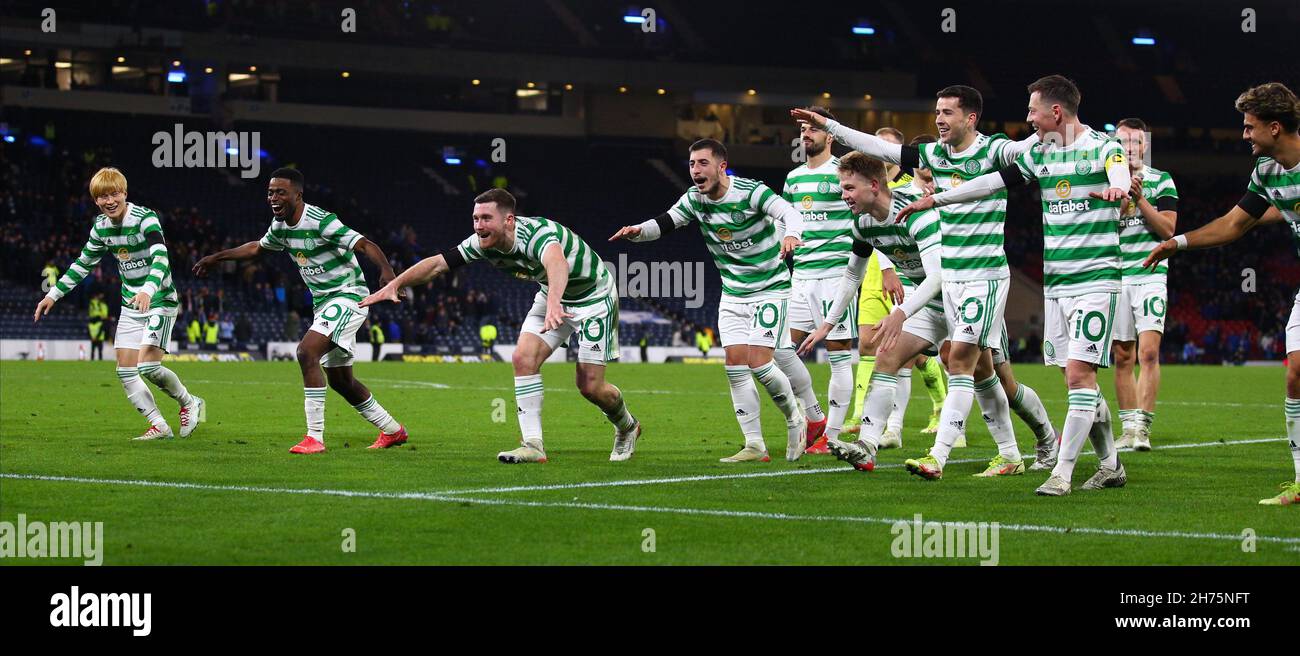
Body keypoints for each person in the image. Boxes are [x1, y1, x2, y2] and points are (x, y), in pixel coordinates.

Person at [795, 83, 1057, 479]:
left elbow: (1031, 150)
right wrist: (831, 126)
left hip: (982, 278)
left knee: (995, 378)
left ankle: (1041, 439)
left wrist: (1057, 130)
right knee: (894, 357)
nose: (938, 119)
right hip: (940, 289)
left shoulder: (993, 150)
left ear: (970, 118)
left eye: (947, 113)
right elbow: (878, 148)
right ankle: (869, 446)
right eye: (936, 112)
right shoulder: (931, 156)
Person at [895, 75, 1128, 495]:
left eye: (1032, 110)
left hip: (1096, 279)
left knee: (1079, 377)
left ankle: (1063, 473)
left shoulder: (1103, 147)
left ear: (1055, 112)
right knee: (1077, 379)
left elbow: (1120, 172)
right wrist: (936, 199)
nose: (1028, 118)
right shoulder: (1039, 154)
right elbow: (992, 181)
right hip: (1056, 284)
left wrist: (1119, 189)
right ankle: (1110, 463)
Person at [363, 188, 641, 463]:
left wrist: (556, 302)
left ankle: (627, 426)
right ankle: (533, 445)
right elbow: (437, 265)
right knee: (522, 358)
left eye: (486, 218)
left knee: (590, 386)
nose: (478, 226)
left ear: (509, 220)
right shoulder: (480, 244)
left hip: (593, 297)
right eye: (475, 218)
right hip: (552, 295)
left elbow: (557, 263)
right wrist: (395, 284)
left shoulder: (537, 235)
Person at [1145, 82, 1300, 506]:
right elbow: (1233, 224)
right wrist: (1176, 243)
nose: (1244, 134)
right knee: (1295, 373)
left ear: (1274, 127)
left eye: (1249, 127)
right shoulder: (1267, 173)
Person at [611, 138, 808, 463]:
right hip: (732, 293)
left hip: (770, 287)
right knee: (734, 367)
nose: (695, 170)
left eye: (702, 163)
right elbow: (666, 222)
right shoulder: (694, 199)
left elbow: (788, 211)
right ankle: (755, 444)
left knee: (759, 362)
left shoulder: (750, 191)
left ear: (721, 166)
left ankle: (794, 420)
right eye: (691, 164)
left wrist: (791, 234)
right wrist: (638, 231)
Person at [194, 167, 407, 454]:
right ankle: (393, 430)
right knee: (342, 382)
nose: (273, 197)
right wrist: (217, 257)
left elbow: (364, 244)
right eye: (270, 192)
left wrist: (386, 271)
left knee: (306, 352)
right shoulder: (280, 226)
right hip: (324, 305)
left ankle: (314, 438)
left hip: (348, 296)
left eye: (281, 192)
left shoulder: (321, 221)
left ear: (298, 195)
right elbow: (258, 247)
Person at [34, 167, 205, 440]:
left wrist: (148, 290)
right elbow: (82, 264)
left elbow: (161, 257)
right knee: (126, 371)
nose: (109, 201)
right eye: (103, 196)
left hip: (159, 299)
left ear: (124, 193)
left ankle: (189, 402)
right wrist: (52, 295)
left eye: (114, 194)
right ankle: (159, 424)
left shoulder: (145, 218)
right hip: (131, 304)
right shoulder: (100, 228)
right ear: (95, 200)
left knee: (148, 367)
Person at [782, 108, 899, 453]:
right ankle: (814, 416)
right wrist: (781, 243)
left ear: (828, 135)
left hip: (837, 274)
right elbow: (786, 219)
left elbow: (874, 219)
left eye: (812, 128)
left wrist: (888, 265)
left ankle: (829, 435)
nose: (806, 134)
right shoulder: (793, 178)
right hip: (801, 276)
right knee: (781, 352)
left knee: (837, 356)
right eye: (802, 129)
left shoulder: (844, 174)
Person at [1111, 117, 1178, 451]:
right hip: (1117, 277)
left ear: (1145, 146)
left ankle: (1142, 428)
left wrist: (1141, 199)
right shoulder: (1107, 182)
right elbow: (1106, 228)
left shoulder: (1161, 180)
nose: (1129, 148)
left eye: (1135, 142)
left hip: (1150, 276)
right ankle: (1126, 428)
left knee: (1149, 352)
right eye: (1122, 142)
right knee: (1123, 355)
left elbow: (1168, 231)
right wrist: (1123, 197)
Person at [88, 291, 109, 361]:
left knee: (95, 350)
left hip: (97, 337)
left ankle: (95, 360)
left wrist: (93, 337)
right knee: (98, 351)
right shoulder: (97, 304)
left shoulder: (99, 304)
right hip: (98, 337)